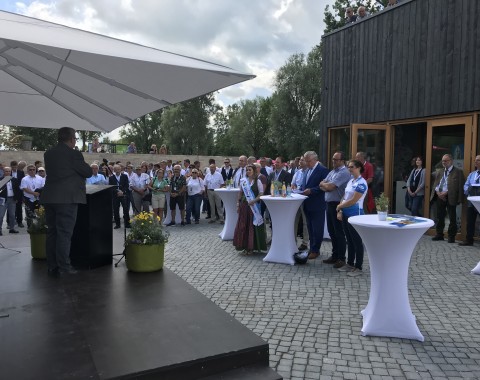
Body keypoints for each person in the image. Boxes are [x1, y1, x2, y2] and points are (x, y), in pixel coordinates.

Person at [40, 127, 93, 276]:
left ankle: (52, 266)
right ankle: (64, 267)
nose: (75, 141)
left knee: (52, 232)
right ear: (71, 139)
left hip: (50, 198)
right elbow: (87, 172)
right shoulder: (74, 154)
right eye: (75, 138)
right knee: (64, 233)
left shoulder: (48, 153)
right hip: (67, 199)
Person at [336, 160, 368, 277]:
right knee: (349, 240)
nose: (349, 169)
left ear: (359, 168)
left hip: (355, 214)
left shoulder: (362, 183)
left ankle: (358, 266)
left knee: (357, 241)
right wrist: (340, 210)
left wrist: (340, 206)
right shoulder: (351, 181)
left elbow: (354, 200)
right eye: (348, 167)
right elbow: (344, 196)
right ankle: (350, 263)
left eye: (352, 167)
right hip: (346, 213)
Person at [319, 151, 350, 268]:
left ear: (342, 161)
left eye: (336, 159)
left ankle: (341, 258)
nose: (333, 161)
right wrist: (325, 186)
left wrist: (325, 186)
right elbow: (321, 184)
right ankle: (335, 255)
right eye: (333, 159)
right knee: (332, 232)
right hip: (329, 203)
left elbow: (331, 186)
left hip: (338, 204)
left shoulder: (344, 172)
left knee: (339, 232)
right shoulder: (332, 172)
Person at [233, 164, 267, 255]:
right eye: (247, 170)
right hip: (244, 206)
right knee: (243, 226)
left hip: (253, 207)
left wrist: (254, 200)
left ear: (254, 171)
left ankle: (252, 247)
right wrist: (237, 203)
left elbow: (261, 194)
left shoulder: (258, 181)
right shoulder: (243, 181)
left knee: (252, 226)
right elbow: (240, 193)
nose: (248, 171)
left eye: (250, 170)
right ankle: (244, 245)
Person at [430, 154, 464, 243]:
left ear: (451, 161)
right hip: (439, 196)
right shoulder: (440, 171)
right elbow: (436, 184)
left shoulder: (458, 172)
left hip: (451, 197)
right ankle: (439, 234)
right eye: (443, 161)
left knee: (452, 217)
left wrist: (448, 193)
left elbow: (459, 186)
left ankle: (451, 236)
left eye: (446, 160)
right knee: (439, 216)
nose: (444, 162)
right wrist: (437, 192)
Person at [301, 151, 329, 260]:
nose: (306, 163)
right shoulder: (307, 170)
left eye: (308, 161)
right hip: (307, 203)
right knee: (310, 228)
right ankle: (312, 248)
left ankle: (316, 249)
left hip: (317, 204)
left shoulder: (323, 170)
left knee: (317, 228)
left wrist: (311, 190)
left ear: (314, 159)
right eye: (306, 161)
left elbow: (324, 187)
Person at [459, 155, 480, 246]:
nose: (476, 162)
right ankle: (469, 240)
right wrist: (468, 190)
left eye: (478, 160)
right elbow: (466, 186)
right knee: (470, 221)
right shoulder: (472, 174)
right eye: (475, 160)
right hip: (472, 202)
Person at [0, 166, 22, 235]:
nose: (8, 172)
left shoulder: (14, 179)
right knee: (1, 215)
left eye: (9, 171)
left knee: (12, 215)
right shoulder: (1, 180)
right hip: (3, 200)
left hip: (12, 199)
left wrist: (17, 199)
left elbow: (18, 190)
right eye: (6, 171)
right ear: (3, 172)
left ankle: (12, 228)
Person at [109, 164, 131, 229]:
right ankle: (117, 224)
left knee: (126, 209)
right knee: (116, 210)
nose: (117, 171)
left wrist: (122, 192)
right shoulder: (111, 177)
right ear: (114, 170)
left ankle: (127, 224)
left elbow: (126, 185)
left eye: (118, 169)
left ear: (120, 169)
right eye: (116, 169)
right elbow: (111, 187)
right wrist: (117, 192)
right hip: (115, 196)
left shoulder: (125, 176)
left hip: (123, 195)